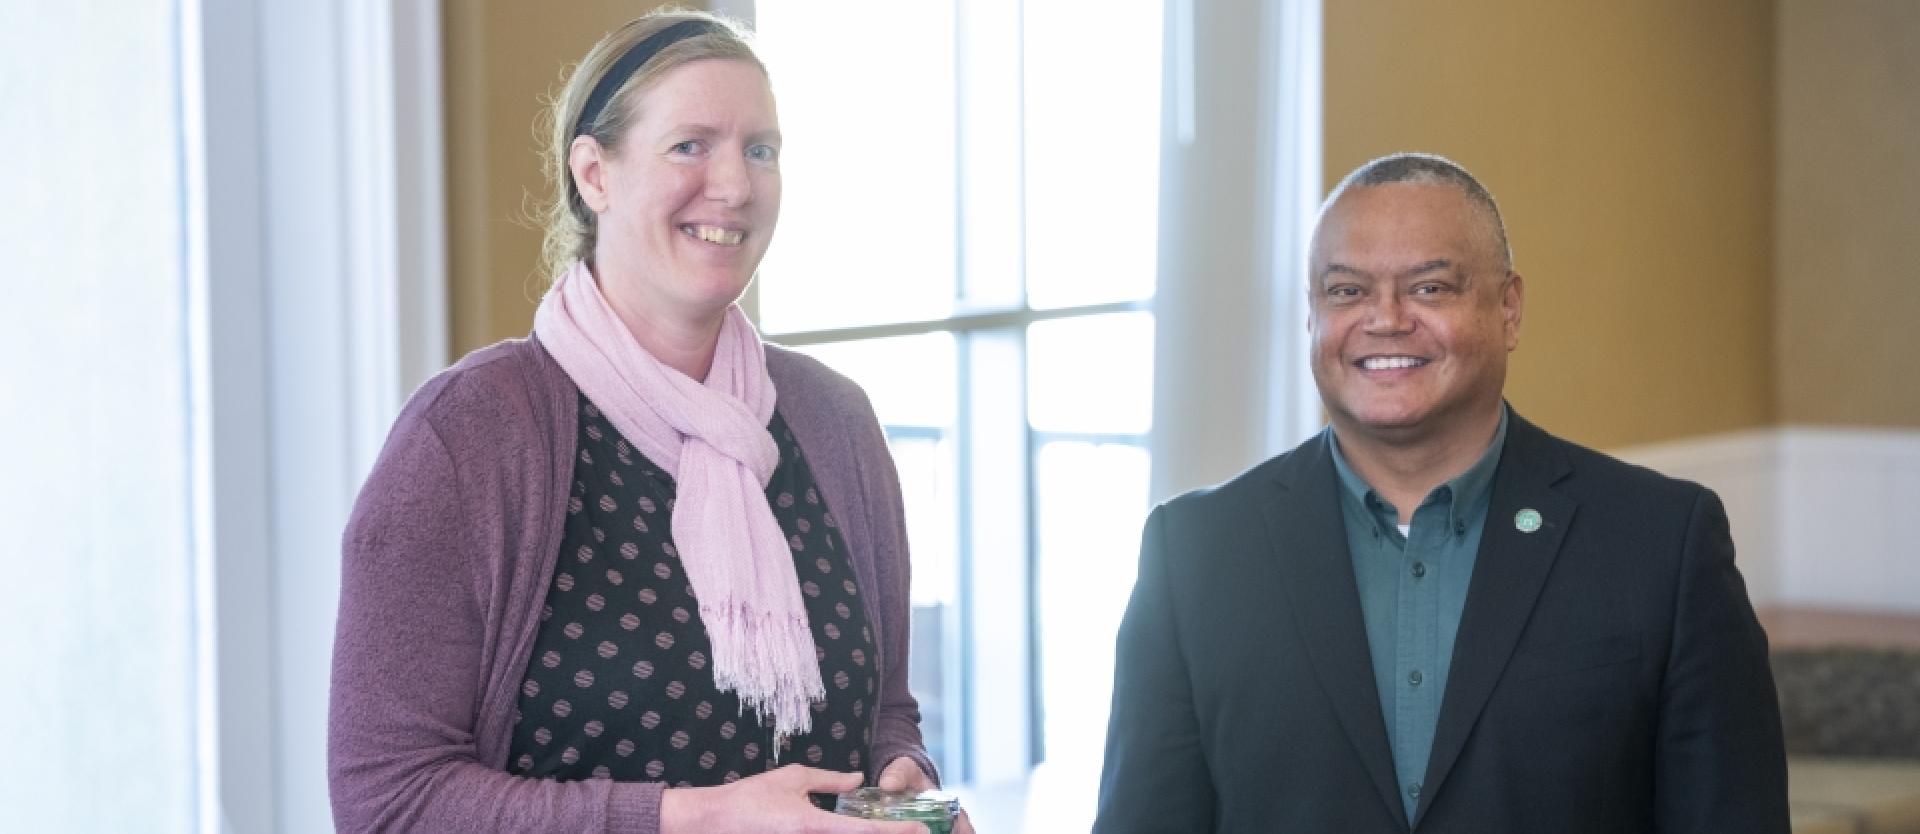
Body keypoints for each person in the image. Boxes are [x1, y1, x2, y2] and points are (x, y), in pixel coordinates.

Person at [329, 11, 969, 833]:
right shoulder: (464, 442)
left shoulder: (835, 422)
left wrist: (903, 783)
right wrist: (689, 819)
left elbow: (882, 711)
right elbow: (387, 802)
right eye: (690, 146)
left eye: (760, 149)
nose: (735, 185)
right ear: (594, 174)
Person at [1093, 153, 1789, 833]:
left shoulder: (1663, 544)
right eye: (1346, 291)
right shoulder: (1193, 558)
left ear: (1509, 310)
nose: (1386, 319)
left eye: (1430, 288)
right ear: (1312, 315)